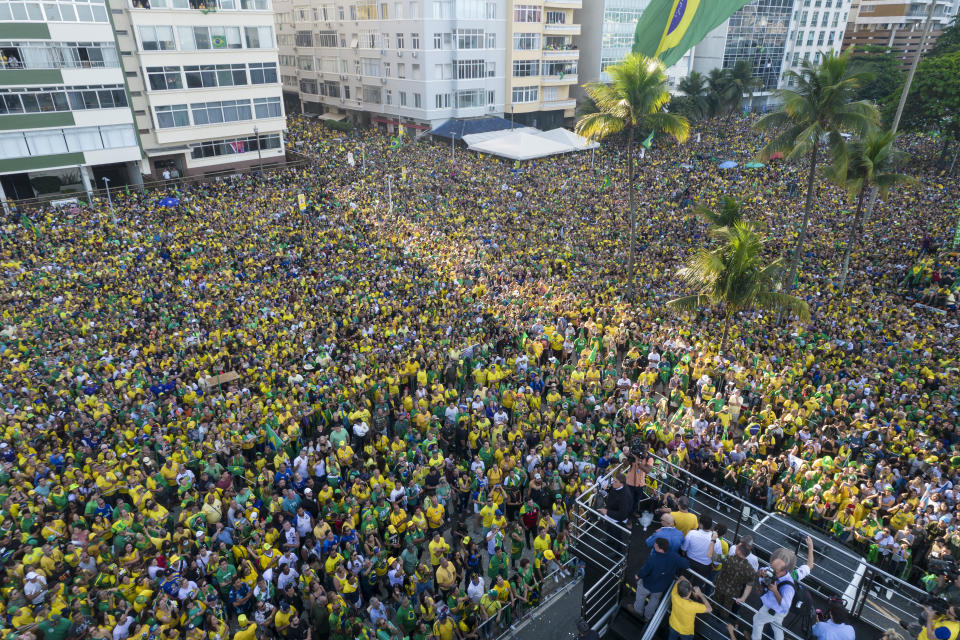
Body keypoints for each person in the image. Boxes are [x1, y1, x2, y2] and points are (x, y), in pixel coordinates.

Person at [634, 537, 690, 622]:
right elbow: (686, 564)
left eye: (655, 546)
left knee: (640, 598)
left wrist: (637, 576)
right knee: (654, 601)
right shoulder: (674, 556)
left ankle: (638, 613)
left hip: (647, 584)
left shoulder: (653, 559)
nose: (654, 546)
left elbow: (644, 571)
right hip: (661, 586)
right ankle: (648, 617)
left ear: (661, 549)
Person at [712, 538, 755, 637]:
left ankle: (713, 615)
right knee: (726, 608)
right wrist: (743, 598)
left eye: (737, 547)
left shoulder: (727, 558)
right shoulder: (750, 569)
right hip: (733, 593)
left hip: (719, 587)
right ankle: (721, 622)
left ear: (739, 551)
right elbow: (749, 584)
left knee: (716, 602)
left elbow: (711, 555)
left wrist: (713, 541)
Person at [751, 548, 797, 640]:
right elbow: (762, 570)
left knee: (757, 620)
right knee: (776, 626)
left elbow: (785, 606)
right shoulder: (773, 569)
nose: (770, 572)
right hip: (778, 610)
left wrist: (775, 591)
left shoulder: (788, 587)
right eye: (771, 568)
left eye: (774, 571)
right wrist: (761, 573)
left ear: (784, 571)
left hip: (774, 609)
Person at [668, 576, 711, 640]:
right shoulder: (692, 606)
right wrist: (700, 594)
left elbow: (681, 577)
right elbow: (709, 609)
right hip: (686, 632)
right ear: (689, 593)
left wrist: (689, 587)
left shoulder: (674, 594)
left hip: (673, 625)